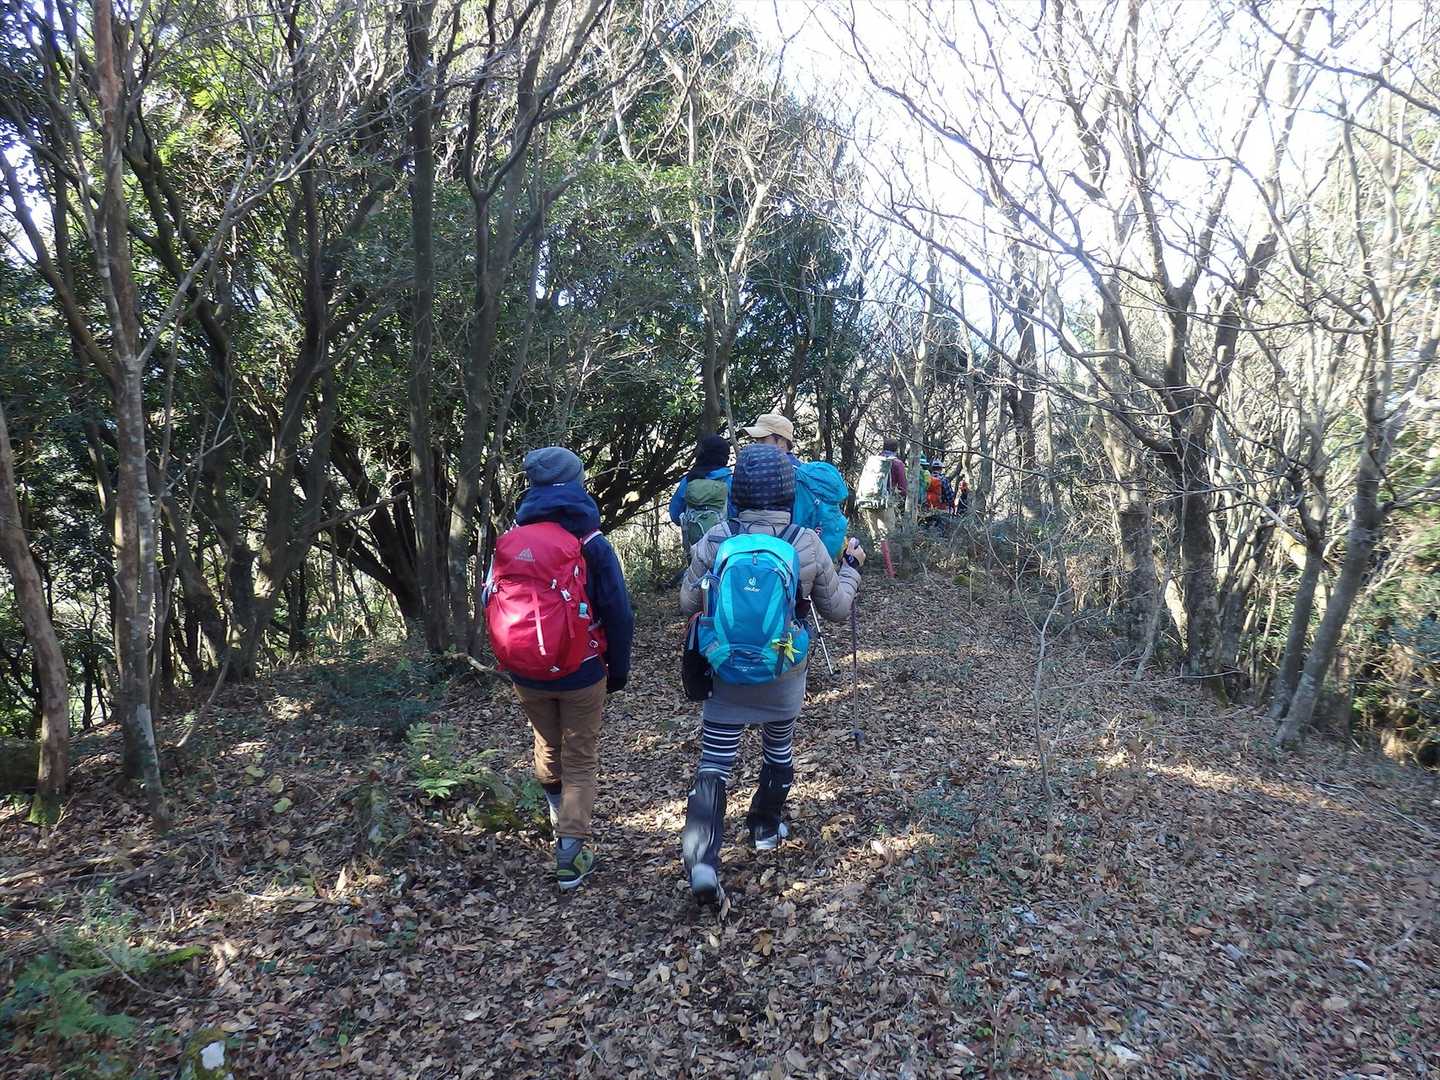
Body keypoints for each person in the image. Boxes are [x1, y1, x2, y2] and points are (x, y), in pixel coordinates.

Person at [678, 444, 864, 905]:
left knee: (715, 762)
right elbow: (837, 609)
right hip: (783, 671)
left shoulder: (717, 536)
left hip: (724, 668)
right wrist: (852, 569)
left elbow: (687, 602)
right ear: (787, 491)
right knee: (778, 748)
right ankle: (764, 826)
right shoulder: (805, 542)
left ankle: (702, 861)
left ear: (737, 491)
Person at [483, 447, 634, 890]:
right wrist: (618, 669)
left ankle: (559, 818)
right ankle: (570, 851)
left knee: (548, 745)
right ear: (578, 484)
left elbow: (490, 598)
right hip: (582, 669)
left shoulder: (512, 540)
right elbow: (618, 612)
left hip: (525, 670)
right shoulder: (591, 542)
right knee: (580, 757)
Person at [668, 434, 733, 549]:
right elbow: (736, 514)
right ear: (725, 457)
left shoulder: (688, 481)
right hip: (724, 548)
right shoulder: (730, 481)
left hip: (694, 547)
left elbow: (675, 515)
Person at [856, 439, 907, 545]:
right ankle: (887, 556)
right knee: (888, 537)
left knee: (876, 536)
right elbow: (903, 488)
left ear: (883, 447)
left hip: (869, 500)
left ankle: (876, 554)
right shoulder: (897, 463)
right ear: (896, 449)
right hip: (885, 504)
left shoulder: (873, 461)